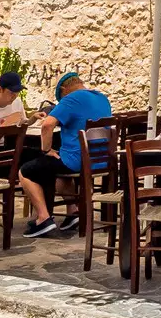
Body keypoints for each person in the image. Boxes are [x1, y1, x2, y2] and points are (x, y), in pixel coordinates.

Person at [18, 70, 115, 238]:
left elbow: (47, 125)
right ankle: (73, 212)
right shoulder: (101, 98)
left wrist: (46, 150)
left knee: (26, 171)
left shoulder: (71, 99)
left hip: (78, 160)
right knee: (62, 174)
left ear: (64, 89)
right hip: (101, 160)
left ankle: (43, 219)